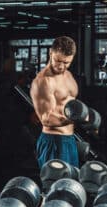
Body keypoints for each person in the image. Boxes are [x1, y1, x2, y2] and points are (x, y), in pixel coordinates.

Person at [30, 36, 80, 168]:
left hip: (70, 140)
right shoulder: (43, 81)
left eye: (66, 62)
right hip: (53, 142)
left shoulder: (69, 76)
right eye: (58, 60)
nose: (61, 66)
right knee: (54, 187)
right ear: (50, 53)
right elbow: (46, 119)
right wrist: (76, 119)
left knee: (72, 187)